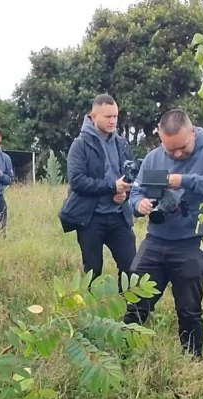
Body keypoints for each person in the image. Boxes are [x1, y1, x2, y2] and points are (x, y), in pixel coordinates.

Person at [125, 109, 203, 358]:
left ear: (193, 132)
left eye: (182, 147)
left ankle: (191, 361)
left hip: (193, 242)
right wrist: (139, 204)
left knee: (189, 310)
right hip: (156, 239)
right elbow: (135, 192)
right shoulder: (153, 158)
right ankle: (124, 355)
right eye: (169, 149)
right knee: (135, 299)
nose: (175, 154)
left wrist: (183, 180)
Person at [58, 94, 136, 285]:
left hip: (118, 216)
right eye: (107, 117)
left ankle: (131, 312)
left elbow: (131, 175)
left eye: (115, 116)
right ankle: (92, 312)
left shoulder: (122, 143)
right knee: (93, 271)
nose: (113, 121)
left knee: (132, 267)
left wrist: (123, 194)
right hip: (91, 217)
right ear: (93, 117)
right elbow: (77, 181)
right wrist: (112, 187)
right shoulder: (80, 145)